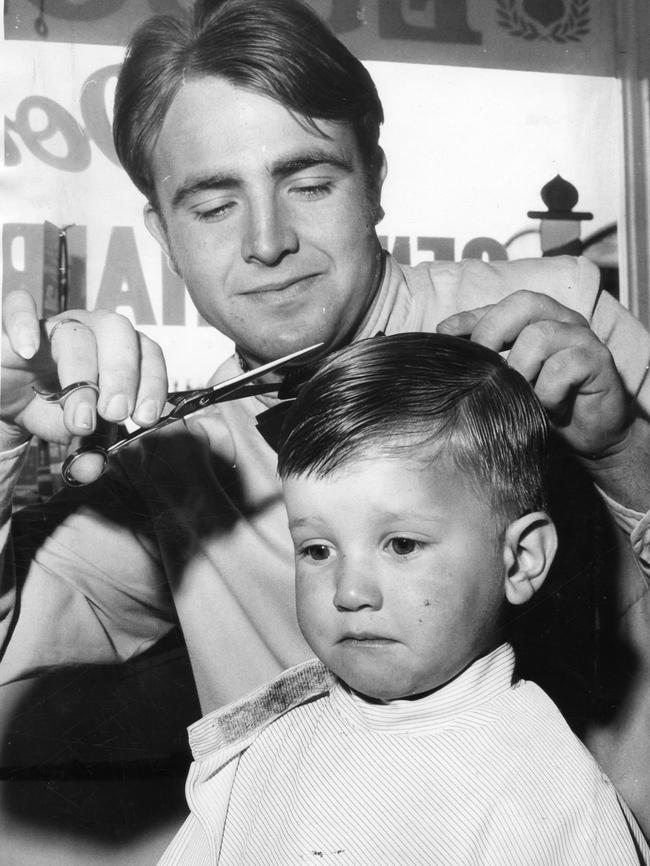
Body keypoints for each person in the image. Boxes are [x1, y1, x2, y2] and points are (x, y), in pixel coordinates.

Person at [2, 0, 650, 836]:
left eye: (308, 182)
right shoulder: (169, 462)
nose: (268, 241)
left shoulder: (557, 323)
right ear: (161, 233)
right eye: (213, 206)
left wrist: (622, 454)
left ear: (375, 180)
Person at [158, 332, 650, 865]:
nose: (348, 592)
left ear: (520, 559)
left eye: (401, 544)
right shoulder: (262, 748)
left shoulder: (549, 796)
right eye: (318, 549)